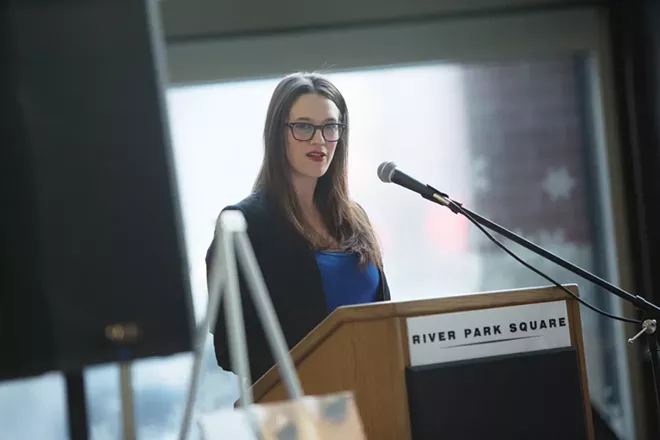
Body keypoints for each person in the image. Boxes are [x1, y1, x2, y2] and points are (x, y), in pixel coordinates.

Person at [206, 72, 390, 382]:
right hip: (303, 409)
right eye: (304, 126)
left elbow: (385, 319)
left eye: (330, 126)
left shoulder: (354, 217)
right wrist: (317, 373)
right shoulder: (243, 224)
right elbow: (230, 346)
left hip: (378, 393)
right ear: (278, 133)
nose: (319, 140)